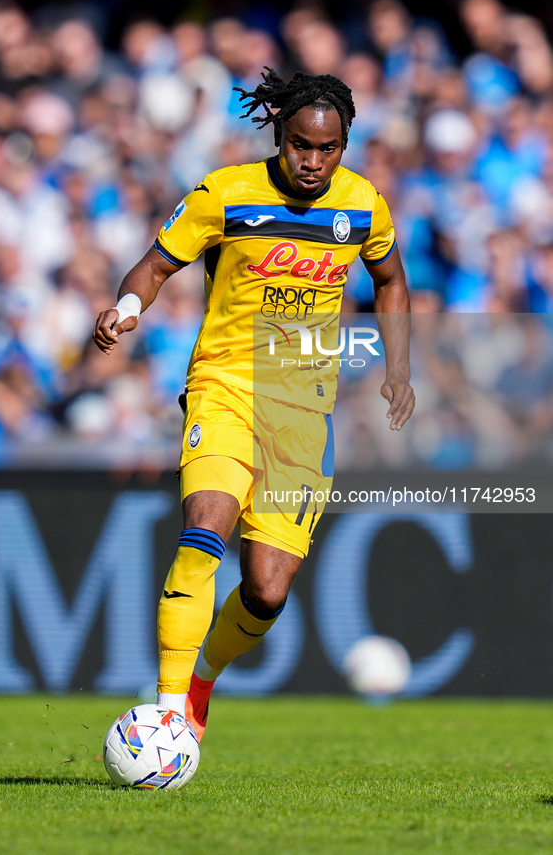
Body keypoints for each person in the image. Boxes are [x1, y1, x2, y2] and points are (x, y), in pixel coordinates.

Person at [93, 67, 415, 741]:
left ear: (345, 142)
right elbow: (154, 265)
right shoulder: (225, 192)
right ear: (280, 134)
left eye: (328, 148)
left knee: (267, 589)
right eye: (301, 144)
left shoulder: (362, 207)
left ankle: (202, 678)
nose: (312, 160)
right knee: (204, 528)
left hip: (301, 410)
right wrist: (125, 308)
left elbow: (389, 279)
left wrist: (397, 365)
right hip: (226, 384)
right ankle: (167, 711)